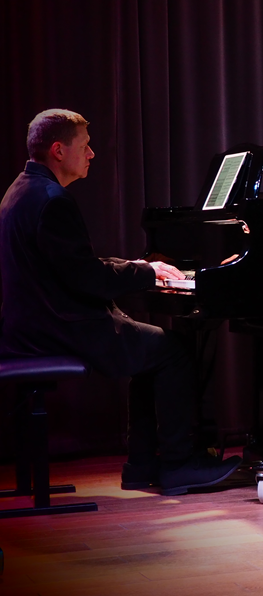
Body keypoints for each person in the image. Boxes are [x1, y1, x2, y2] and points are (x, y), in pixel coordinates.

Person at [0, 109, 241, 495]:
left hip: (34, 325)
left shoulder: (22, 190)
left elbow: (75, 264)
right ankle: (178, 465)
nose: (92, 153)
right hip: (59, 328)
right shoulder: (52, 200)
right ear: (59, 151)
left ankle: (140, 465)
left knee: (150, 351)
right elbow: (88, 278)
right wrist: (146, 273)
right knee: (173, 352)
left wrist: (140, 267)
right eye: (85, 145)